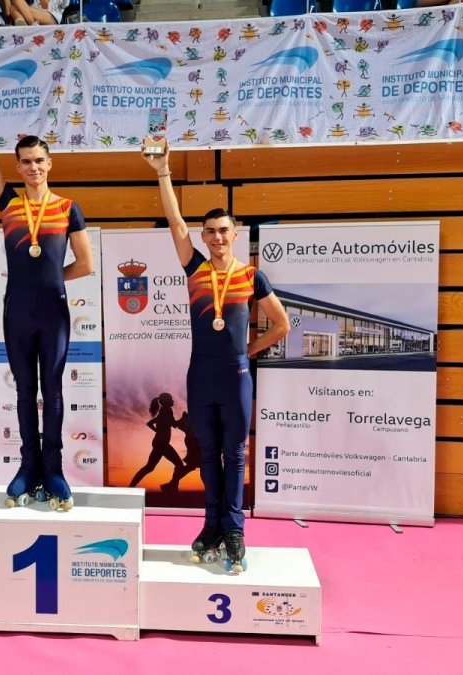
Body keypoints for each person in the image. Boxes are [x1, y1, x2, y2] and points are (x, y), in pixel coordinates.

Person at [141, 138, 290, 573]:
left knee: (236, 455)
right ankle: (210, 525)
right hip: (200, 376)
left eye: (224, 230)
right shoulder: (195, 270)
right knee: (207, 454)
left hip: (236, 376)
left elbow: (281, 324)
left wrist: (250, 351)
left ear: (235, 233)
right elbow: (174, 223)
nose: (218, 237)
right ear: (204, 237)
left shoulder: (250, 276)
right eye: (210, 232)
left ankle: (235, 529)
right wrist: (163, 171)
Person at [0, 63, 94, 512]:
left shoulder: (67, 208)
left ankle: (54, 469)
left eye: (40, 160)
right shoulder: (8, 202)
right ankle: (27, 467)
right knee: (23, 391)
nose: (33, 167)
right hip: (16, 310)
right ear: (18, 167)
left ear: (49, 163)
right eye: (26, 162)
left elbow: (87, 264)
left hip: (52, 311)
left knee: (52, 391)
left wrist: (53, 280)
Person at [129, 393, 185, 489]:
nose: (173, 401)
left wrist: (158, 431)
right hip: (162, 443)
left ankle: (131, 487)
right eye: (171, 399)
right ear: (166, 401)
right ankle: (171, 488)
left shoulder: (165, 411)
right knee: (179, 465)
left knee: (149, 467)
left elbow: (153, 423)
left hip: (159, 443)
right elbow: (171, 424)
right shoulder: (166, 410)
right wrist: (183, 419)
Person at [160, 410, 201, 493]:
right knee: (194, 466)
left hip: (193, 440)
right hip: (194, 440)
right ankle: (170, 485)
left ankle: (170, 484)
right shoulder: (193, 415)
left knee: (193, 466)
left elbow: (176, 424)